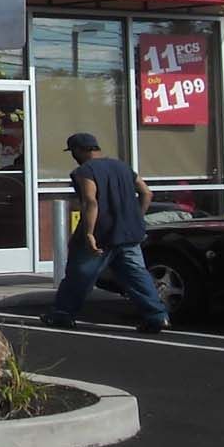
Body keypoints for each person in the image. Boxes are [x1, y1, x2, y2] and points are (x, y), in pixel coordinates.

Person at [44, 132, 171, 333]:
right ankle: (157, 316)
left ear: (79, 150)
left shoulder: (85, 171)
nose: (73, 156)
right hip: (129, 233)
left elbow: (90, 201)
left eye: (73, 152)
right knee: (137, 275)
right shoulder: (123, 166)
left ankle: (63, 314)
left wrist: (89, 233)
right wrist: (137, 217)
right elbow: (147, 192)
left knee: (80, 275)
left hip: (102, 233)